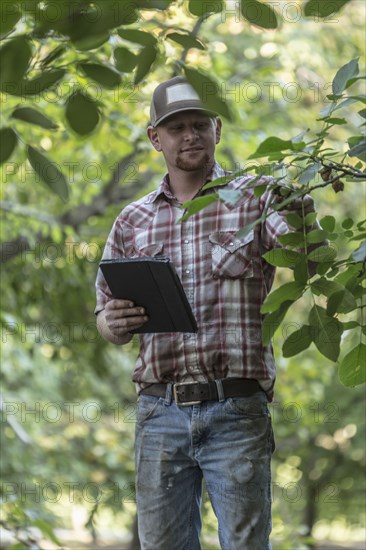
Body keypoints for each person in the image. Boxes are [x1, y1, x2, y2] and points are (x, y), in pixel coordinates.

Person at [95, 76, 318, 550]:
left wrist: (301, 197)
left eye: (200, 124)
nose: (190, 135)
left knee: (245, 544)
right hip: (159, 411)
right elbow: (105, 313)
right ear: (156, 137)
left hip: (236, 409)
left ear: (217, 129)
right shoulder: (132, 220)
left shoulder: (256, 198)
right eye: (177, 128)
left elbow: (309, 261)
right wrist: (110, 323)